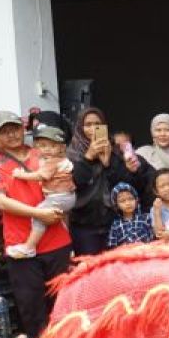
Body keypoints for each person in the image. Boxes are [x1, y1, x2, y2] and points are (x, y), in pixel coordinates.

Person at [0, 111, 73, 338]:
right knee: (31, 305)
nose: (11, 134)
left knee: (63, 300)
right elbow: (0, 202)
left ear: (24, 129)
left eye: (15, 128)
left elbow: (65, 188)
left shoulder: (43, 152)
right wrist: (39, 214)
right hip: (20, 244)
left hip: (58, 242)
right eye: (4, 130)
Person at [68, 107, 151, 255]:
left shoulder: (113, 151)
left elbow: (123, 186)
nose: (93, 129)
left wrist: (108, 164)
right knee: (90, 268)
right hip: (84, 225)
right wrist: (88, 157)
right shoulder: (72, 153)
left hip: (113, 223)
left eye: (97, 124)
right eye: (88, 125)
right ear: (80, 127)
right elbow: (74, 184)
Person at [4, 126, 76, 260]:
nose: (47, 149)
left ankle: (29, 247)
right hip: (67, 197)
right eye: (43, 145)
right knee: (60, 220)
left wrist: (21, 175)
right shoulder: (60, 160)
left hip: (60, 197)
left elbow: (40, 176)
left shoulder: (52, 162)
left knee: (39, 215)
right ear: (36, 146)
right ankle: (70, 248)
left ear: (61, 148)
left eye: (53, 146)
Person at [106, 182, 154, 248]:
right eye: (122, 201)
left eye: (130, 199)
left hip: (145, 254)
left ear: (136, 200)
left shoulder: (146, 218)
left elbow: (153, 240)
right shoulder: (116, 225)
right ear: (116, 205)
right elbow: (112, 246)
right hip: (126, 256)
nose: (127, 203)